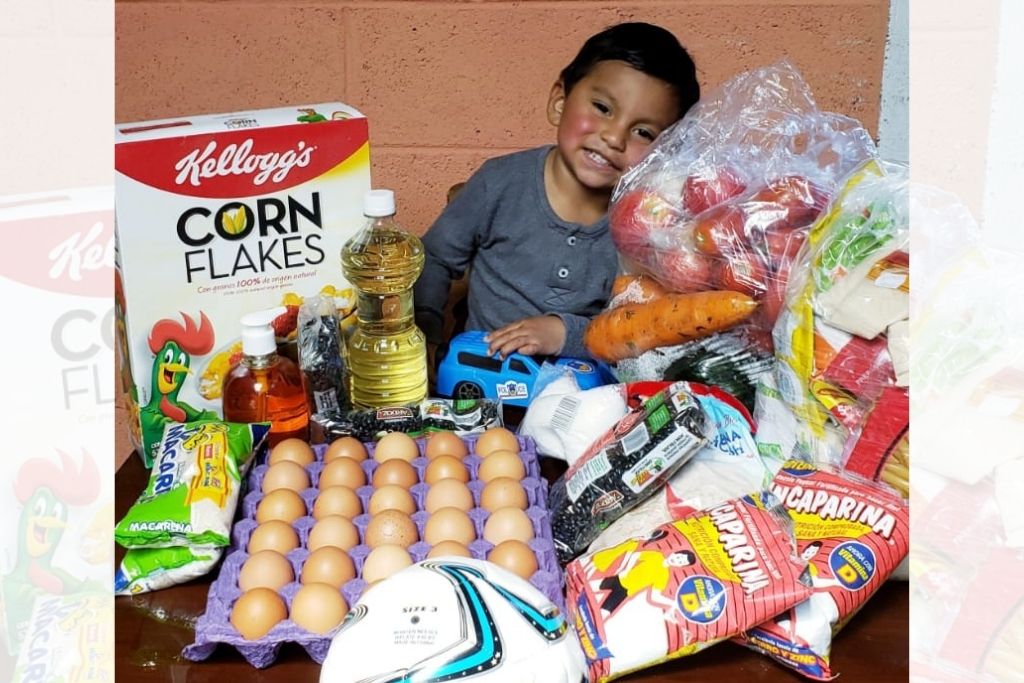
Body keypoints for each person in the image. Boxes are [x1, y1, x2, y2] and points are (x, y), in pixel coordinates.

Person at [413, 22, 700, 366]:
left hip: (587, 397)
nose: (613, 137)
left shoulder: (645, 225)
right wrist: (424, 331)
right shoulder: (500, 182)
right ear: (559, 101)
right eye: (602, 108)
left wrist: (566, 334)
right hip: (483, 380)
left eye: (642, 131)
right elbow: (433, 257)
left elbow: (644, 324)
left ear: (665, 151)